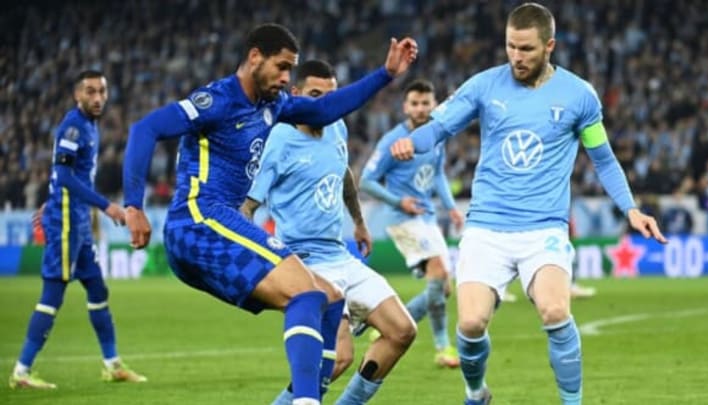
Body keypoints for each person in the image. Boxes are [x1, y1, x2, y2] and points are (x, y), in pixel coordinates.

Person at [122, 24, 417, 405]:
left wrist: (386, 75)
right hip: (198, 219)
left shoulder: (272, 106)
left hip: (215, 226)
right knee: (307, 294)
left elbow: (325, 108)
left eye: (290, 70)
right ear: (255, 57)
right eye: (281, 67)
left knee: (328, 298)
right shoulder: (218, 100)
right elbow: (145, 129)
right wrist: (134, 205)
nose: (284, 78)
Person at [389, 3, 667, 404]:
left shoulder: (579, 96)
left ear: (549, 46)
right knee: (469, 323)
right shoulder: (485, 86)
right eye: (510, 47)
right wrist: (409, 143)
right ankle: (475, 392)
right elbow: (439, 128)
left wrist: (631, 209)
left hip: (544, 229)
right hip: (486, 227)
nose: (516, 57)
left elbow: (602, 158)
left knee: (556, 311)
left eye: (526, 49)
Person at [242, 59, 417, 405]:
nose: (324, 105)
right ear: (295, 95)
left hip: (339, 253)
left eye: (330, 97)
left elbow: (344, 174)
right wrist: (258, 262)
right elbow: (247, 207)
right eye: (315, 96)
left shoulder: (336, 127)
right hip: (306, 264)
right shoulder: (278, 139)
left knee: (402, 331)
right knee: (338, 358)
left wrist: (359, 221)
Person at [9, 71, 146, 389]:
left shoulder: (90, 126)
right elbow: (66, 175)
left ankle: (112, 365)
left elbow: (66, 176)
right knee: (52, 295)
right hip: (67, 223)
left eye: (102, 91)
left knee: (98, 290)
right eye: (90, 92)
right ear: (77, 95)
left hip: (78, 222)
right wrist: (107, 206)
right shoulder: (73, 126)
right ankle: (21, 370)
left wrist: (50, 198)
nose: (97, 97)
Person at [359, 79, 463, 368]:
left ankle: (387, 323)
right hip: (401, 219)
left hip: (427, 217)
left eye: (425, 103)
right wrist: (398, 201)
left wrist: (452, 208)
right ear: (405, 107)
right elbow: (366, 181)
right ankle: (443, 348)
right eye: (414, 103)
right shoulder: (393, 140)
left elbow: (438, 173)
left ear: (433, 105)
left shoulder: (436, 135)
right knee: (439, 271)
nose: (420, 108)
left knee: (443, 288)